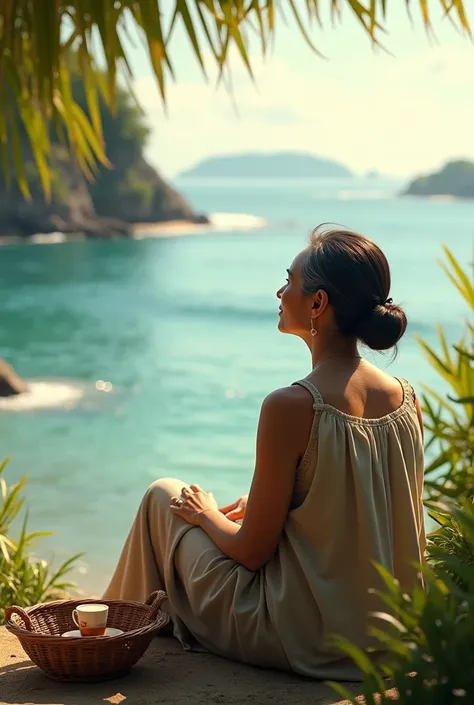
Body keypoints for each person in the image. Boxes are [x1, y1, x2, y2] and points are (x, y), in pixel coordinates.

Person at [103, 225, 425, 679]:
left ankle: (110, 636)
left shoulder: (292, 405)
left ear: (317, 304)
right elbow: (363, 516)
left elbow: (251, 552)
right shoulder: (406, 399)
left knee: (165, 495)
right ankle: (122, 630)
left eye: (289, 281)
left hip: (302, 635)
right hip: (391, 638)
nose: (280, 291)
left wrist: (206, 513)